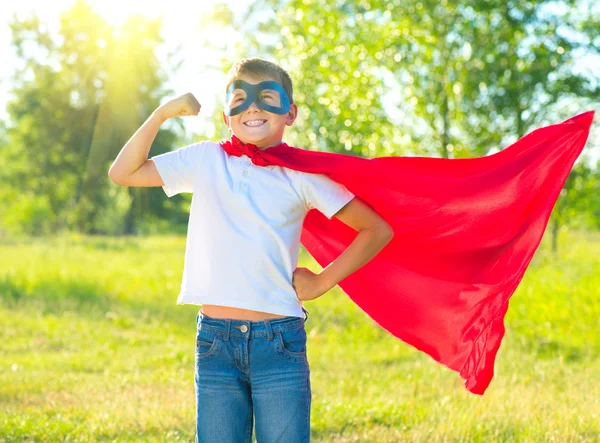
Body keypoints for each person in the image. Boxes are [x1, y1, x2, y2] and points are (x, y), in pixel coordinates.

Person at [108, 57, 394, 442]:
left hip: (278, 342)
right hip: (215, 343)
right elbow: (123, 172)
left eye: (266, 97)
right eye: (240, 98)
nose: (253, 106)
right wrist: (164, 113)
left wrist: (322, 282)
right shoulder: (206, 159)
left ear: (290, 113)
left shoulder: (302, 175)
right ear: (227, 115)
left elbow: (376, 229)